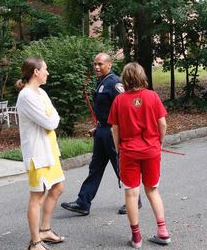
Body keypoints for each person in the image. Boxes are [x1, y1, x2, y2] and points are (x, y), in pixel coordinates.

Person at [61, 52, 139, 215]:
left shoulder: (114, 83)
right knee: (95, 167)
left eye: (100, 64)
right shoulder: (101, 82)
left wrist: (119, 130)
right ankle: (83, 202)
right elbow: (105, 110)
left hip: (113, 131)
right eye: (95, 64)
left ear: (109, 65)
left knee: (120, 165)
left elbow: (125, 107)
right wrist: (98, 127)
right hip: (102, 131)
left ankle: (134, 199)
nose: (96, 67)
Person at [108, 62, 171, 247]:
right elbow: (163, 124)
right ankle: (163, 231)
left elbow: (115, 128)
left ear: (125, 79)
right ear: (142, 76)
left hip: (129, 152)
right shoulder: (152, 96)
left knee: (131, 194)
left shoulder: (119, 100)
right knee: (152, 190)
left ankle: (136, 237)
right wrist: (158, 142)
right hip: (151, 150)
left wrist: (118, 148)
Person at [16, 57, 66, 250]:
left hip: (50, 150)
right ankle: (35, 242)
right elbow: (51, 122)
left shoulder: (41, 92)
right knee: (37, 196)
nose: (47, 72)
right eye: (45, 69)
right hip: (37, 153)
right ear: (36, 72)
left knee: (57, 187)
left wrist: (51, 117)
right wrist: (51, 117)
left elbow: (54, 117)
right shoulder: (26, 96)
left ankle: (45, 230)